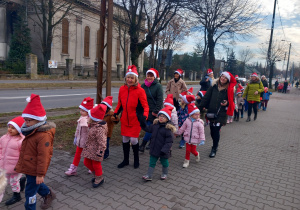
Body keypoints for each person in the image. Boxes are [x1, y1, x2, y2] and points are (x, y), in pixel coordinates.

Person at [15, 94, 56, 209]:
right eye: (25, 119)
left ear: (38, 119)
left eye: (29, 120)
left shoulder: (43, 136)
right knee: (35, 183)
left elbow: (44, 156)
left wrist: (40, 174)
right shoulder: (31, 130)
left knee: (30, 193)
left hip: (35, 169)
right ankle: (48, 194)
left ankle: (30, 207)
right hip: (30, 166)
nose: (26, 122)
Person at [113, 65, 149, 169]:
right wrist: (116, 113)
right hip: (125, 119)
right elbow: (120, 103)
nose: (129, 80)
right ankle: (126, 160)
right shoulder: (121, 89)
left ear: (136, 79)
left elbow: (145, 106)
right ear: (125, 78)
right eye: (128, 77)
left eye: (132, 78)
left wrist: (144, 116)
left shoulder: (140, 91)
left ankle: (136, 160)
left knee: (133, 140)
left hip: (135, 119)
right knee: (125, 139)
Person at [200, 71, 236, 158]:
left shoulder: (230, 89)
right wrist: (199, 108)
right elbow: (206, 98)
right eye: (222, 76)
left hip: (221, 113)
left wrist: (226, 103)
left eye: (225, 78)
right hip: (211, 112)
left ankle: (214, 147)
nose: (223, 78)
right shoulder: (213, 86)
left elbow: (232, 102)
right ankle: (215, 144)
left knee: (216, 130)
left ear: (228, 80)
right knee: (212, 131)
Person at [138, 106, 175, 181]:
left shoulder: (168, 129)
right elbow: (147, 129)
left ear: (167, 119)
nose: (161, 118)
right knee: (152, 162)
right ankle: (149, 175)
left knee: (164, 162)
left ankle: (165, 173)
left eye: (164, 117)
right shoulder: (155, 125)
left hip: (163, 151)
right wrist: (142, 123)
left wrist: (164, 150)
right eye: (160, 116)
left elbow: (169, 142)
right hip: (154, 148)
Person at [65, 97, 94, 176]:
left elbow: (90, 132)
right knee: (77, 155)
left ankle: (92, 168)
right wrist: (76, 137)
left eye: (83, 111)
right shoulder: (81, 118)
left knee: (87, 156)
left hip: (87, 142)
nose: (81, 112)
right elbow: (78, 129)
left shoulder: (89, 120)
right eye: (80, 110)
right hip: (79, 141)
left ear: (88, 112)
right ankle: (73, 169)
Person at [0, 116, 26, 205]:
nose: (10, 130)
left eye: (13, 128)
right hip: (4, 166)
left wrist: (20, 166)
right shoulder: (3, 138)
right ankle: (22, 180)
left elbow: (23, 155)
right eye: (9, 127)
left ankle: (17, 195)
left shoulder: (21, 141)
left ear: (19, 129)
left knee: (13, 182)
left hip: (16, 167)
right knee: (2, 182)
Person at [82, 104, 107, 188]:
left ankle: (99, 178)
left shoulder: (99, 128)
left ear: (94, 118)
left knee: (96, 164)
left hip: (96, 150)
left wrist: (100, 152)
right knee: (86, 162)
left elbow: (102, 142)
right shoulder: (93, 125)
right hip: (89, 149)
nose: (88, 117)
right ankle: (96, 174)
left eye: (89, 116)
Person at [139, 68, 163, 152]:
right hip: (144, 110)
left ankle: (143, 145)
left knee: (149, 127)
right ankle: (152, 141)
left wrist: (156, 111)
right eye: (148, 76)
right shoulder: (143, 86)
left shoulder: (158, 86)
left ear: (154, 77)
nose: (149, 77)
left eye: (151, 76)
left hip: (153, 111)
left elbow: (160, 100)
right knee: (146, 127)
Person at [176, 103, 205, 168]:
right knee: (188, 150)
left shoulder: (199, 123)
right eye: (196, 114)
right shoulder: (187, 121)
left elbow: (201, 132)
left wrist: (202, 139)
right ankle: (186, 161)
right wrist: (178, 132)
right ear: (191, 115)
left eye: (198, 114)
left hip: (195, 139)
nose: (198, 115)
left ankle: (197, 154)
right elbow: (183, 128)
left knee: (193, 151)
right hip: (187, 138)